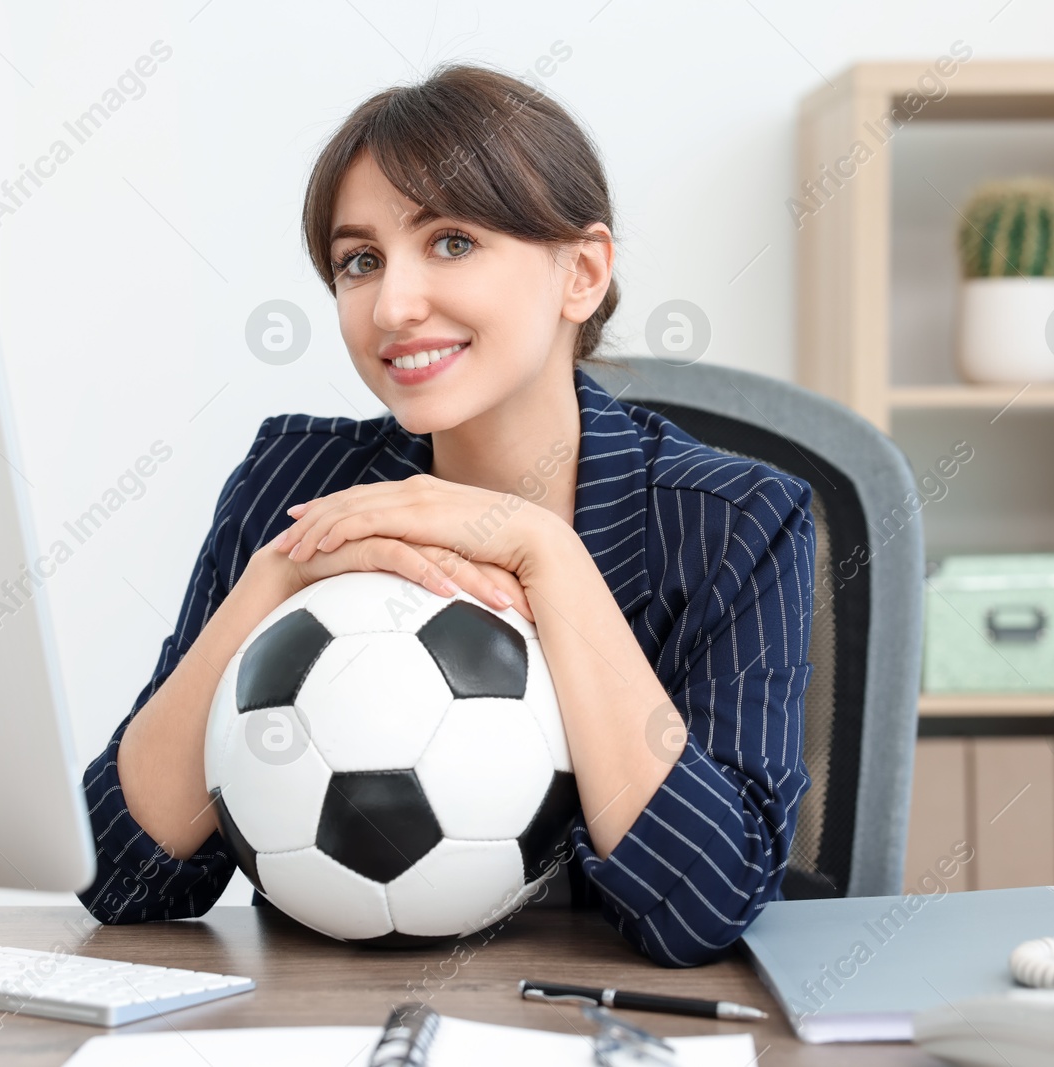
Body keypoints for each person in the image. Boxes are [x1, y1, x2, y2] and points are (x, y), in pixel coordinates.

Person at [78, 62, 815, 968]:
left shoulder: (738, 521)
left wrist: (549, 554)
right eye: (360, 261)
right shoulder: (293, 479)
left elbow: (704, 907)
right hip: (320, 1020)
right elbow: (125, 882)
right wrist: (284, 568)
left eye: (453, 241)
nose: (392, 306)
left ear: (581, 273)